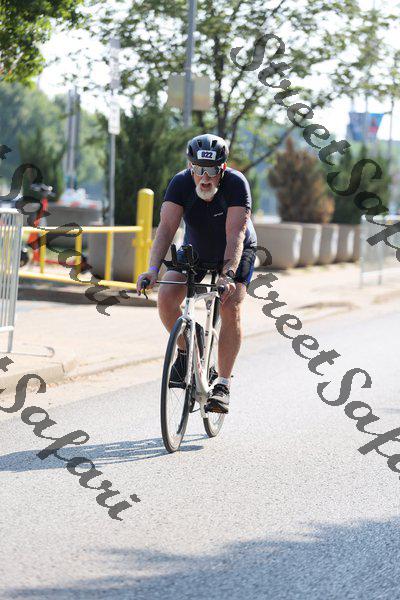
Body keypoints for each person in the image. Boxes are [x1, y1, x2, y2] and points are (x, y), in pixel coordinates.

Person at [137, 133, 257, 414]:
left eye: (212, 171)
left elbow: (235, 234)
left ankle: (223, 385)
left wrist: (228, 274)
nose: (205, 178)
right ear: (190, 167)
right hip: (197, 250)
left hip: (234, 251)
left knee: (230, 304)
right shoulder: (180, 183)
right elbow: (166, 229)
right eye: (199, 169)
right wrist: (152, 270)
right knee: (167, 297)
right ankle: (187, 347)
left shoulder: (236, 184)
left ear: (222, 169)